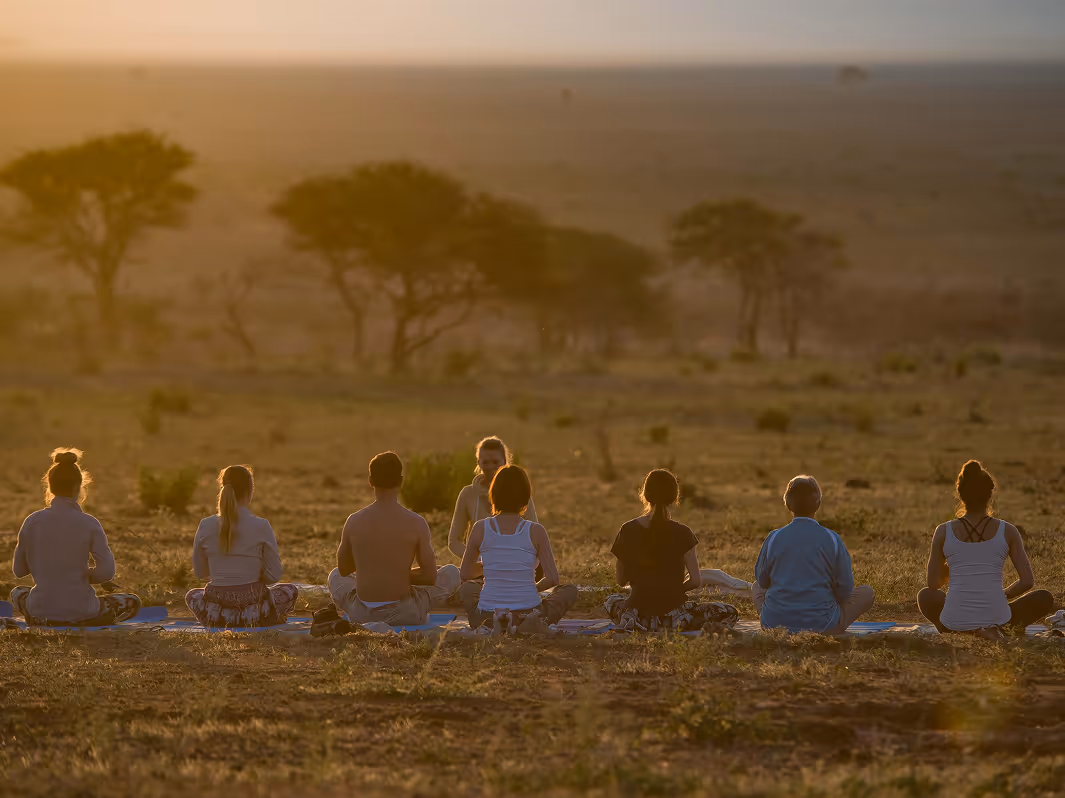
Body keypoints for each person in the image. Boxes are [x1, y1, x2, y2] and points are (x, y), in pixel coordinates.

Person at [918, 460, 1056, 641]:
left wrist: (956, 568)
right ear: (989, 495)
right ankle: (994, 628)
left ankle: (960, 630)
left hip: (954, 619)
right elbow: (1027, 582)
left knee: (926, 596)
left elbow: (933, 584)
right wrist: (1003, 594)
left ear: (960, 494)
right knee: (1043, 597)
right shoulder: (1008, 531)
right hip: (1000, 618)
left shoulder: (943, 531)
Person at [326, 452, 460, 627]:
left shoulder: (354, 520)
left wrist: (375, 571)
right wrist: (397, 575)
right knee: (451, 572)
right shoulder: (416, 523)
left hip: (361, 613)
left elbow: (343, 569)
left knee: (334, 576)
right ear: (401, 481)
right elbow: (429, 577)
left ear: (370, 481)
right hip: (404, 613)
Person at [9, 449, 141, 626]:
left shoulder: (32, 521)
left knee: (17, 592)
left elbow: (19, 570)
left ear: (50, 486)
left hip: (40, 608)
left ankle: (41, 617)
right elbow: (106, 572)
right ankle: (85, 620)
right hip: (82, 610)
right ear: (78, 487)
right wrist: (82, 575)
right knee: (132, 601)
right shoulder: (89, 523)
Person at [605, 469, 738, 632]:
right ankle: (674, 626)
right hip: (674, 615)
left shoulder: (627, 529)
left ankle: (636, 622)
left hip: (636, 611)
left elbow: (621, 581)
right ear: (675, 498)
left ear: (645, 495)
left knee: (611, 601)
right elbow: (695, 581)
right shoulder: (683, 533)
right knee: (730, 612)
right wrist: (670, 590)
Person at [459, 464, 576, 633]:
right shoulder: (536, 531)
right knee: (569, 590)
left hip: (488, 613)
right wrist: (532, 589)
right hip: (529, 611)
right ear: (525, 496)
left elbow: (465, 574)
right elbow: (553, 579)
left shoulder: (480, 528)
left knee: (468, 588)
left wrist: (494, 565)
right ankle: (528, 623)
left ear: (494, 494)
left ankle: (491, 624)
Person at [754, 475, 875, 634]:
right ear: (818, 503)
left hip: (773, 625)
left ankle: (778, 618)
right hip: (822, 624)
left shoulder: (774, 537)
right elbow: (845, 590)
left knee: (755, 587)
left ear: (788, 504)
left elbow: (762, 581)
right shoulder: (832, 538)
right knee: (867, 593)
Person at [185, 465, 299, 628]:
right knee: (289, 590)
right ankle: (261, 617)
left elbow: (200, 572)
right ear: (250, 490)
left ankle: (223, 618)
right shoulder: (261, 525)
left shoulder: (205, 525)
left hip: (216, 612)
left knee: (192, 595)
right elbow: (274, 576)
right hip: (255, 610)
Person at [448, 436, 539, 560]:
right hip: (478, 568)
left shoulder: (518, 491)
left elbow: (535, 536)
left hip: (513, 563)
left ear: (505, 463)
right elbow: (454, 541)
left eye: (495, 462)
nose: (490, 467)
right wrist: (478, 559)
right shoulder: (468, 494)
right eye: (485, 462)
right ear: (478, 463)